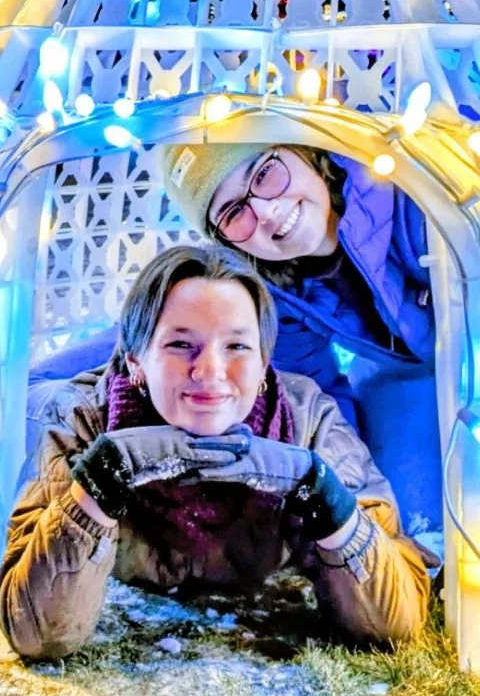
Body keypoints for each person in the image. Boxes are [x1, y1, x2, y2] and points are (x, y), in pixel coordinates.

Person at [0, 244, 432, 659]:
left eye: (237, 346)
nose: (210, 371)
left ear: (263, 363)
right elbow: (37, 633)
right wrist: (103, 480)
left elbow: (393, 625)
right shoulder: (80, 421)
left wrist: (320, 493)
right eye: (181, 345)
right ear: (136, 362)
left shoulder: (308, 420)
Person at [156, 139, 441, 534]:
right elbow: (318, 391)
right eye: (234, 212)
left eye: (264, 172)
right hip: (407, 371)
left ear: (302, 151)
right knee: (414, 521)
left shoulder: (404, 196)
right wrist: (347, 485)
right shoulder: (276, 293)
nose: (265, 212)